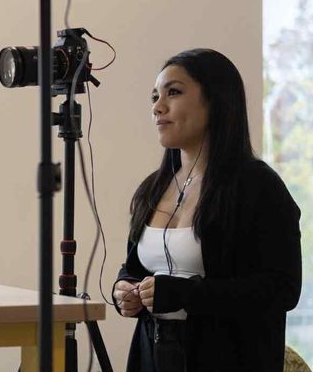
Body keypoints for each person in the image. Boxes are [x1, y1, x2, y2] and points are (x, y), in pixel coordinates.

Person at [112, 49, 302, 372]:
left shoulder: (259, 186)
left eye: (173, 92)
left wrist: (186, 294)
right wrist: (125, 289)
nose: (158, 107)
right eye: (155, 96)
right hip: (151, 358)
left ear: (215, 100)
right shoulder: (152, 189)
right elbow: (134, 267)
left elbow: (282, 289)